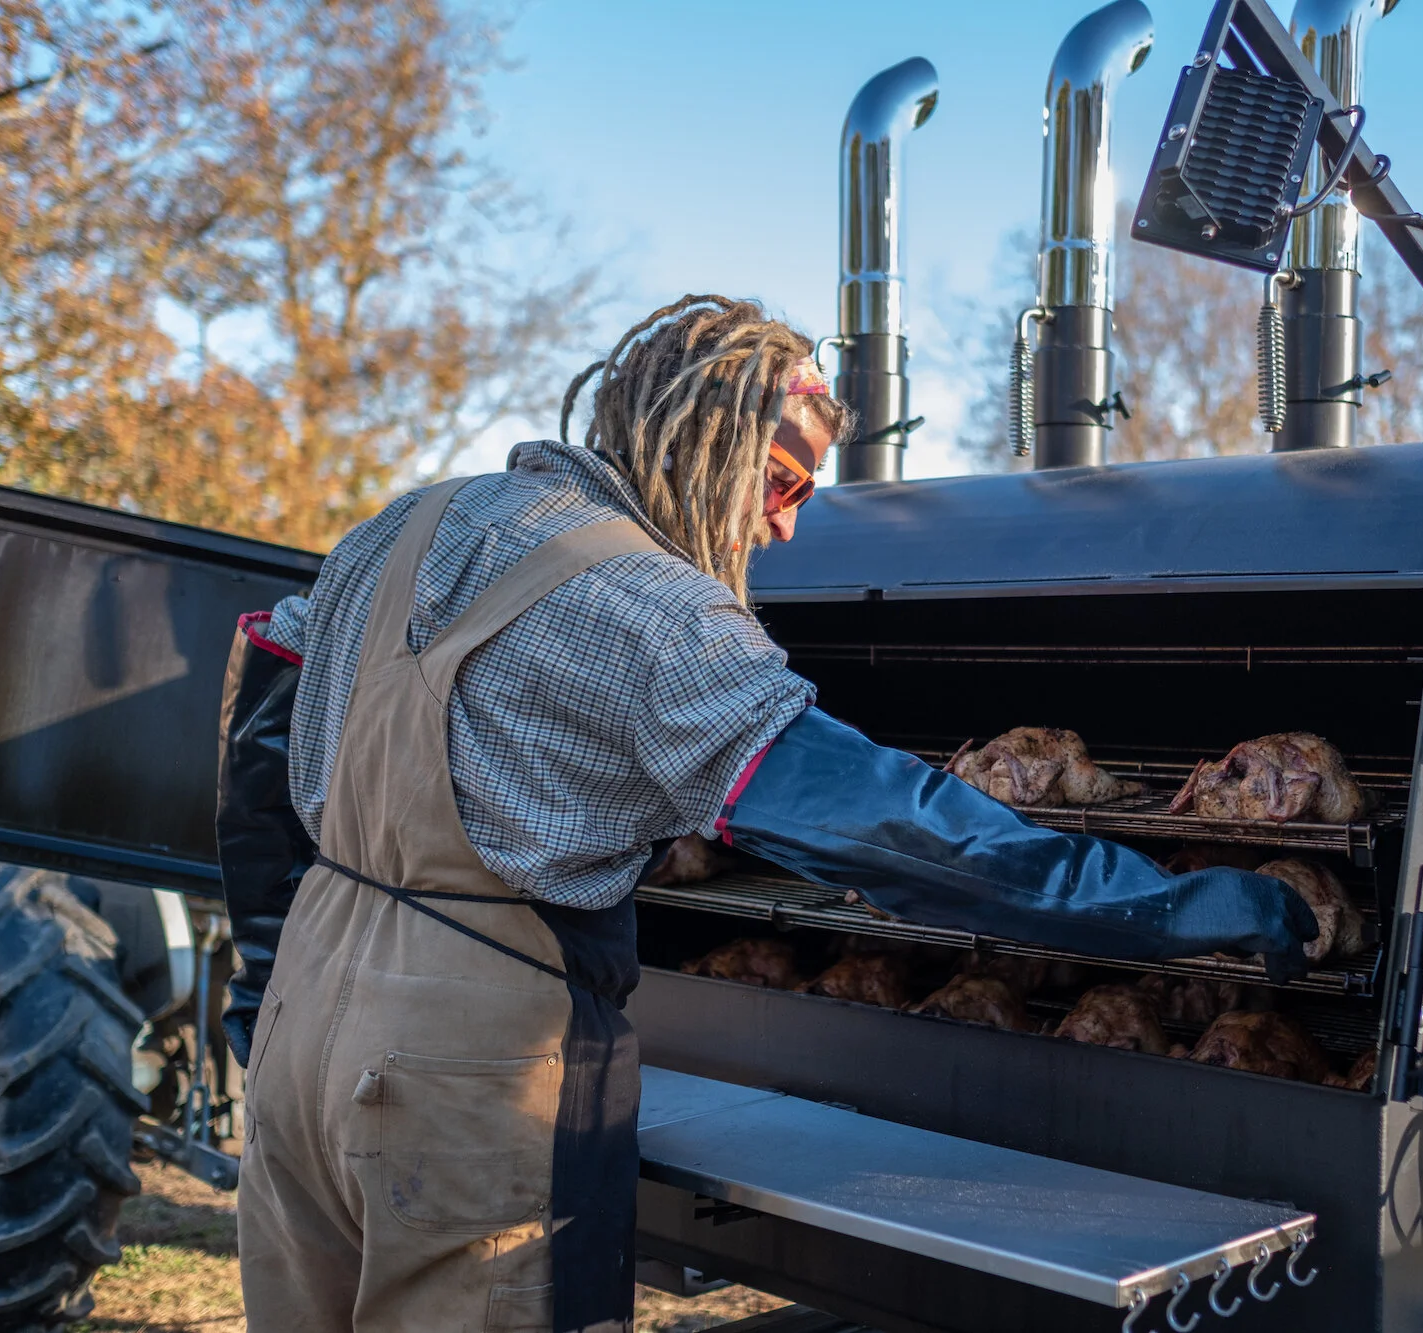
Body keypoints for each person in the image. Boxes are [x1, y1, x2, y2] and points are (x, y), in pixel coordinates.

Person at [214, 294, 1316, 1333]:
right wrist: (1189, 908)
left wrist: (268, 998)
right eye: (780, 482)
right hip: (474, 1063)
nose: (784, 529)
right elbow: (901, 833)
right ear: (704, 441)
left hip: (308, 1021)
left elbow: (259, 756)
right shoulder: (655, 613)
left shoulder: (404, 527)